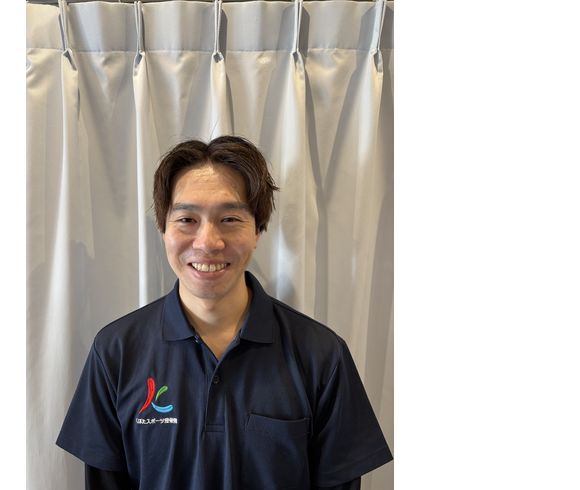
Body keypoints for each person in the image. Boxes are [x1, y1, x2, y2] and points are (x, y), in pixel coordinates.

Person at [57, 136, 393, 490]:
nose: (207, 242)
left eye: (230, 219)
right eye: (187, 219)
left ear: (258, 229)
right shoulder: (116, 352)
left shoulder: (321, 355)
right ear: (163, 229)